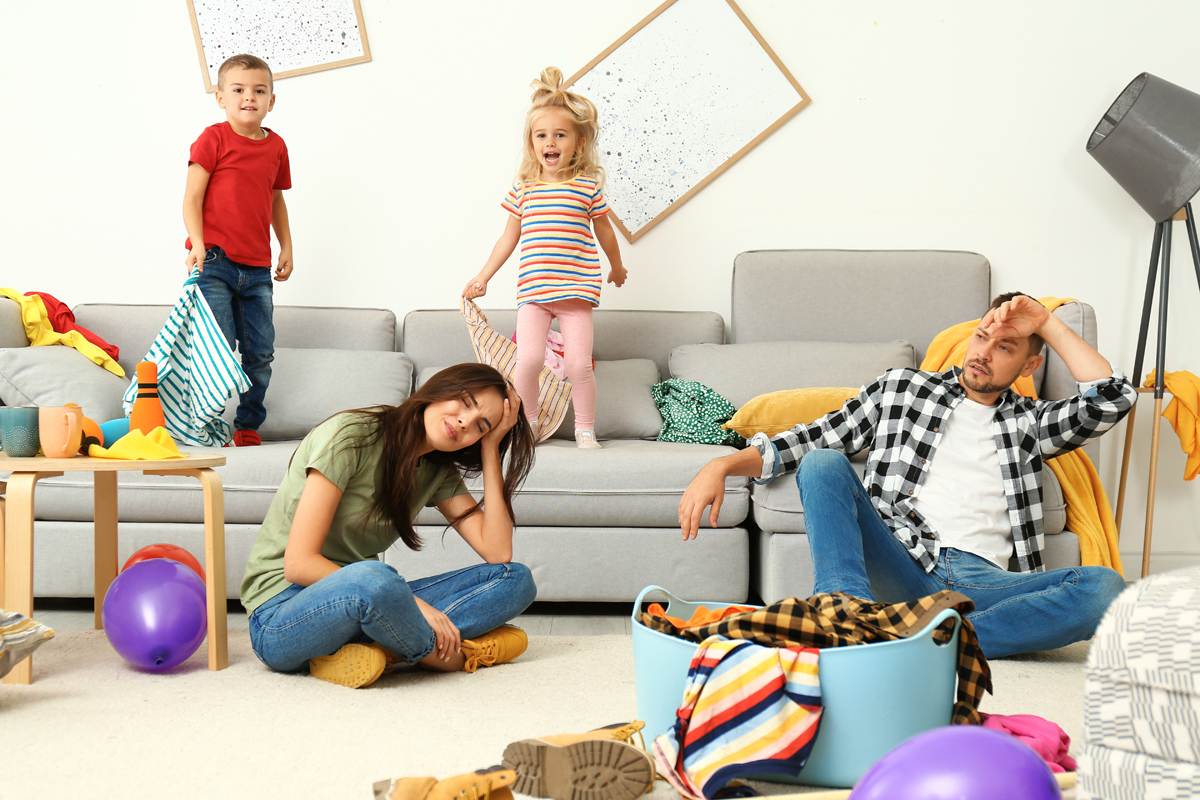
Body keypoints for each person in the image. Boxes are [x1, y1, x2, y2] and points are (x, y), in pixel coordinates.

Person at [678, 293, 1137, 659]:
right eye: (982, 338)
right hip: (904, 558)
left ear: (1029, 365)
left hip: (986, 584)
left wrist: (1046, 322)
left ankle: (916, 639)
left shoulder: (1031, 423)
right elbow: (808, 441)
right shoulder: (902, 388)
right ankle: (844, 610)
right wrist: (721, 465)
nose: (983, 354)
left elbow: (1112, 398)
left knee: (1106, 589)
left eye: (1005, 347)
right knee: (822, 464)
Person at [240, 363, 538, 688]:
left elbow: (497, 551)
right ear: (440, 389)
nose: (466, 422)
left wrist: (491, 447)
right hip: (281, 614)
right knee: (377, 579)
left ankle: (380, 649)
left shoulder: (436, 471)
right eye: (465, 402)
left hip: (370, 601)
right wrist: (415, 605)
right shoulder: (351, 434)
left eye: (481, 426)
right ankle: (446, 656)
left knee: (516, 579)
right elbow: (298, 565)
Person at [463, 67, 627, 449]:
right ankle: (528, 424)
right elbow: (508, 237)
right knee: (529, 360)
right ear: (532, 143)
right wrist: (484, 276)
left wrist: (616, 267)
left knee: (577, 366)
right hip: (534, 293)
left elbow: (605, 232)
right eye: (542, 135)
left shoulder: (587, 187)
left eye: (560, 135)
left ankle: (585, 428)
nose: (550, 142)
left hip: (575, 293)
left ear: (579, 143)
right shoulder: (525, 189)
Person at [182, 53, 293, 448]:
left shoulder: (276, 146)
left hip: (258, 269)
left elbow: (275, 199)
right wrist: (198, 244)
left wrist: (287, 246)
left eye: (259, 91)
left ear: (271, 100)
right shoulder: (212, 139)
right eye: (239, 90)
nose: (250, 97)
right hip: (215, 262)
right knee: (216, 351)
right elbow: (191, 199)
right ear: (220, 98)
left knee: (260, 354)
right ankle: (204, 423)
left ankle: (247, 424)